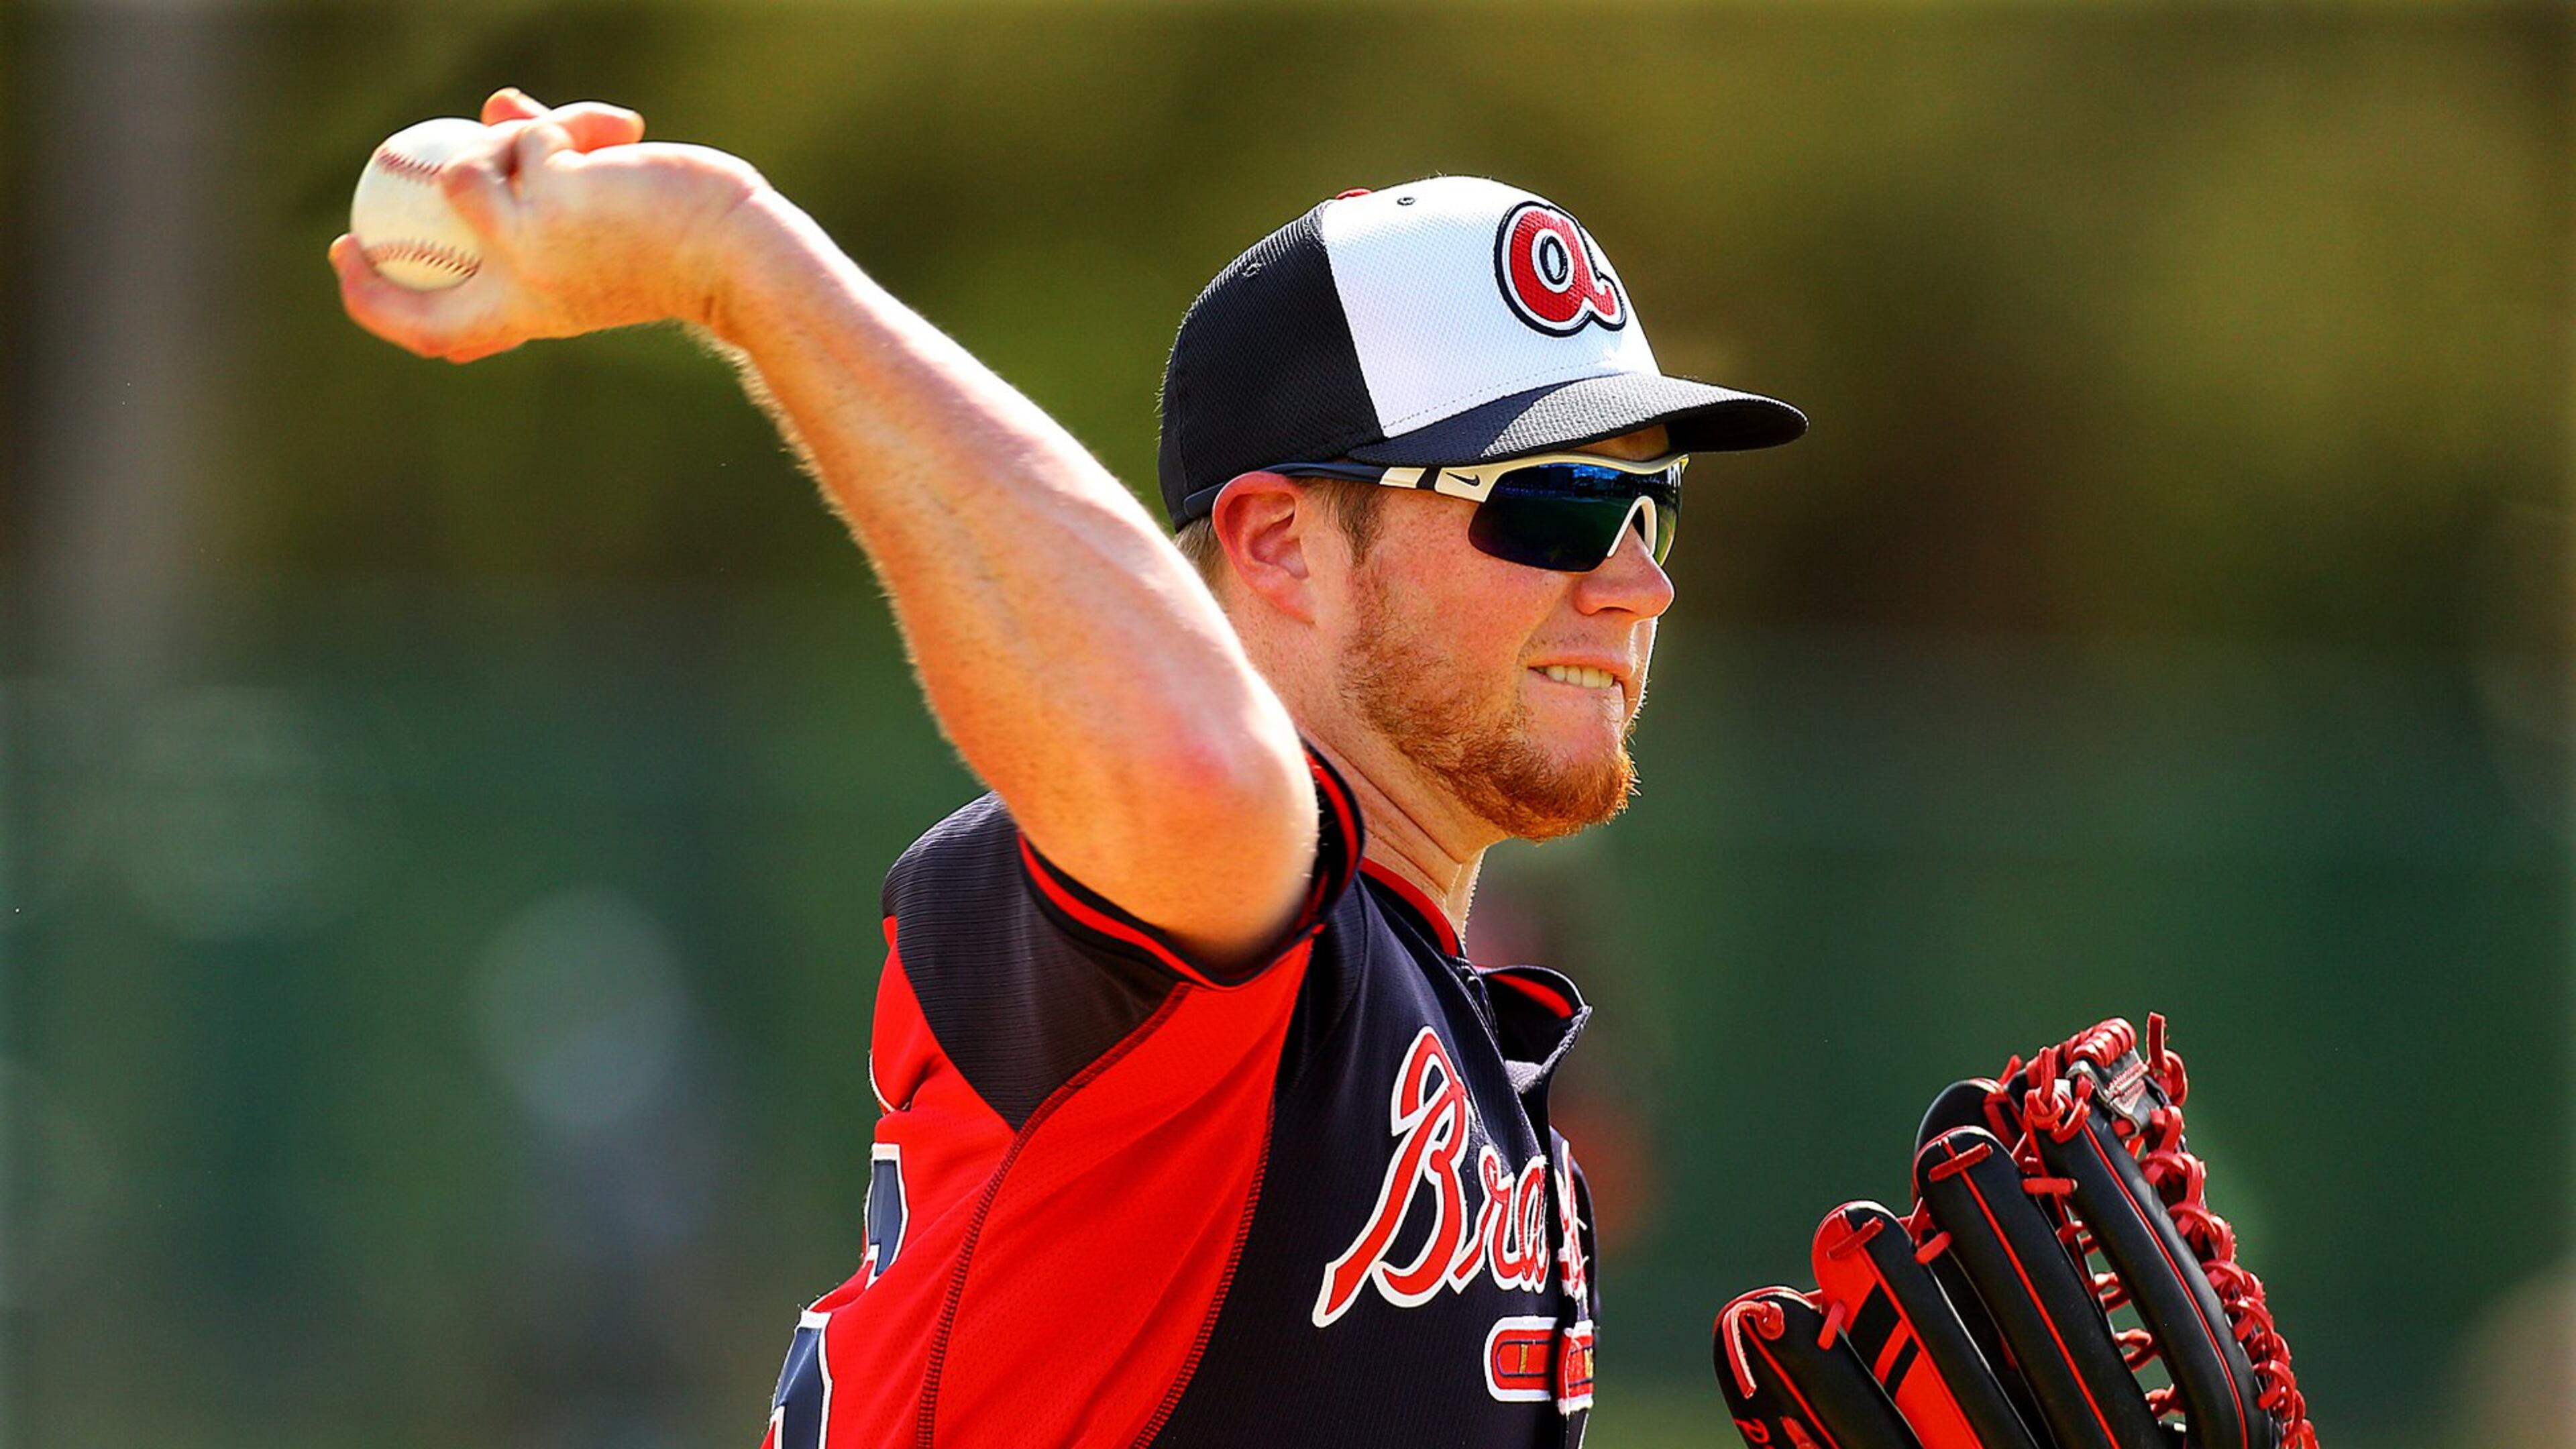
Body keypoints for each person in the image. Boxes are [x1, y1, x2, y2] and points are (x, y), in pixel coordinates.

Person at [333, 89, 1806, 1449]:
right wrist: (737, 262)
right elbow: (1197, 769)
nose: (1634, 585)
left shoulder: (1483, 1073)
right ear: (1280, 544)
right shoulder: (1206, 926)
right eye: (1550, 503)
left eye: (1648, 509)